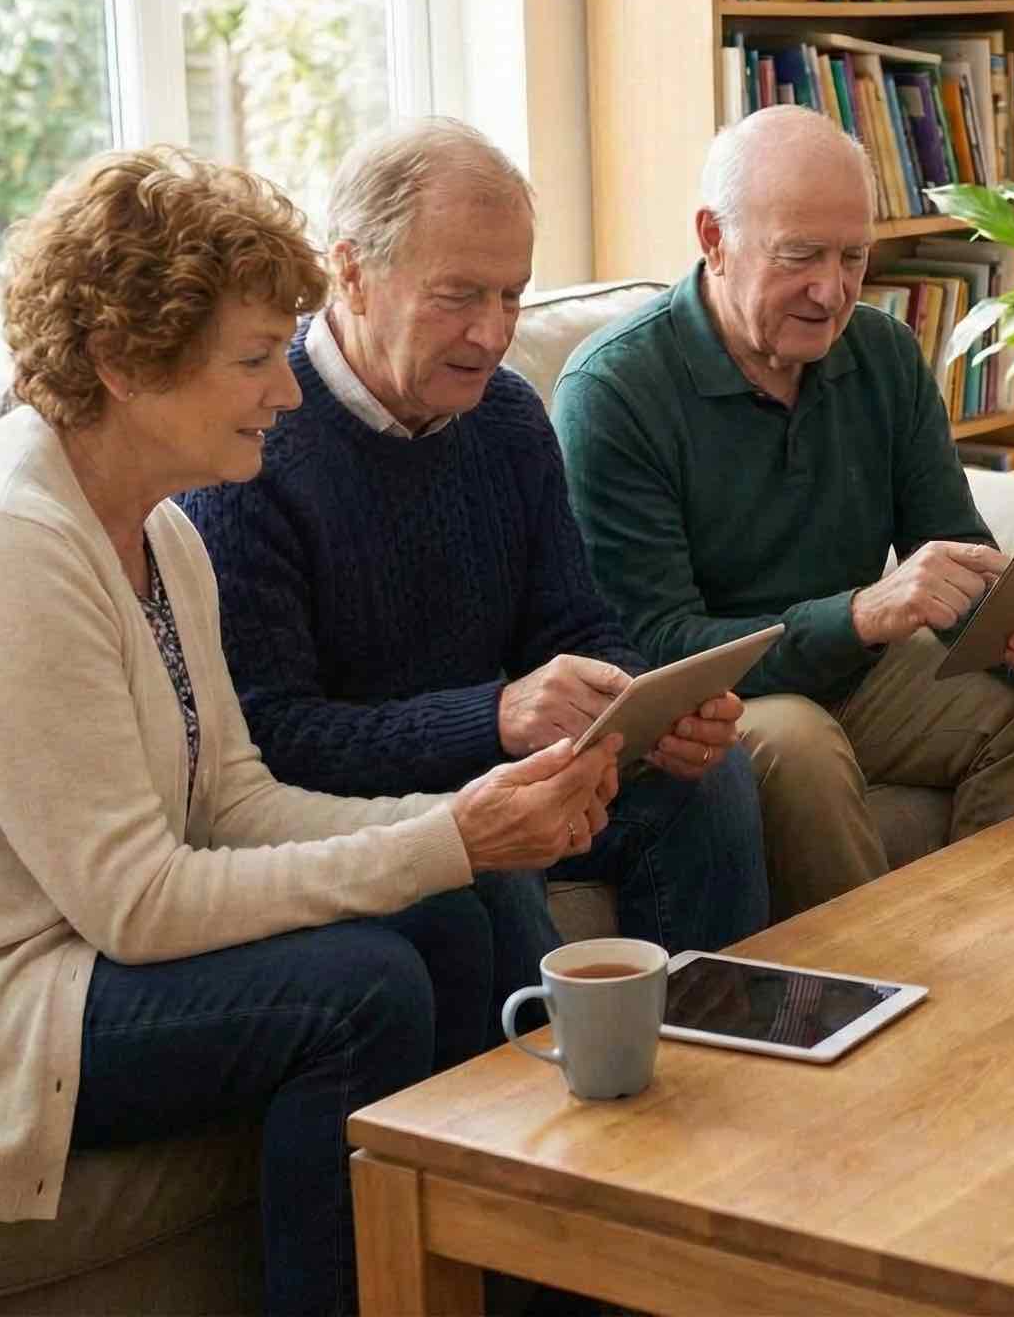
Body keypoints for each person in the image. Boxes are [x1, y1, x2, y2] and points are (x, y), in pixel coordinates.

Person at [0, 147, 621, 1315]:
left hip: (58, 944)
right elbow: (140, 902)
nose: (289, 391)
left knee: (459, 916)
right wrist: (451, 837)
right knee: (358, 986)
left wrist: (465, 831)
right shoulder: (1, 548)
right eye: (255, 359)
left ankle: (507, 1286)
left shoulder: (160, 537)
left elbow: (237, 801)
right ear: (121, 360)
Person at [180, 119, 768, 992]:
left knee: (708, 787)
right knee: (488, 868)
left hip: (506, 770)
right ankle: (536, 1121)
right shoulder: (250, 447)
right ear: (351, 273)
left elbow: (574, 622)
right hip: (367, 815)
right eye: (459, 296)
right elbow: (273, 739)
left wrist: (638, 714)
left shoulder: (507, 418)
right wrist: (492, 719)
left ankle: (721, 1062)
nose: (493, 335)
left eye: (512, 296)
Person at [551, 105, 1014, 918]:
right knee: (798, 747)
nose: (832, 290)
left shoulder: (882, 352)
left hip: (857, 669)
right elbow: (655, 650)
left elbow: (955, 550)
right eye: (800, 256)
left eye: (853, 256)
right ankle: (871, 997)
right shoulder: (614, 393)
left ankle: (1003, 963)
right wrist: (859, 615)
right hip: (724, 702)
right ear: (713, 237)